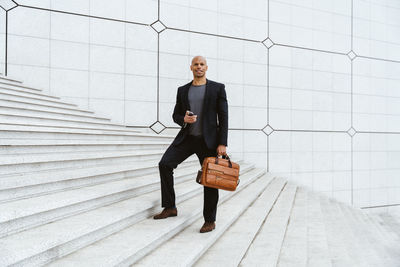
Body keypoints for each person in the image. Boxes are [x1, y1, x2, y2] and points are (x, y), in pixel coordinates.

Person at [153, 56, 228, 233]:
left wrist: (222, 143)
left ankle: (210, 220)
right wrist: (183, 119)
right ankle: (170, 207)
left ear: (206, 68)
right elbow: (176, 115)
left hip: (208, 141)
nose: (199, 67)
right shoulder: (182, 90)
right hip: (187, 138)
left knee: (210, 180)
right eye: (196, 64)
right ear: (191, 67)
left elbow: (224, 117)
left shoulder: (217, 88)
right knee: (165, 164)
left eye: (202, 64)